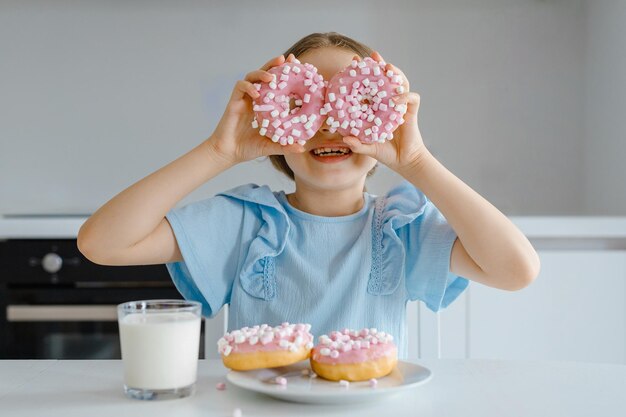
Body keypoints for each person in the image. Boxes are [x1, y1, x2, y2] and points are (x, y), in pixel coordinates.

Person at [77, 32, 540, 358]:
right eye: (304, 106)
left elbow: (517, 270)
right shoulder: (246, 222)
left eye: (354, 106)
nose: (330, 124)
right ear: (275, 126)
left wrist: (416, 161)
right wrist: (220, 151)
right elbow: (102, 243)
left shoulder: (403, 229)